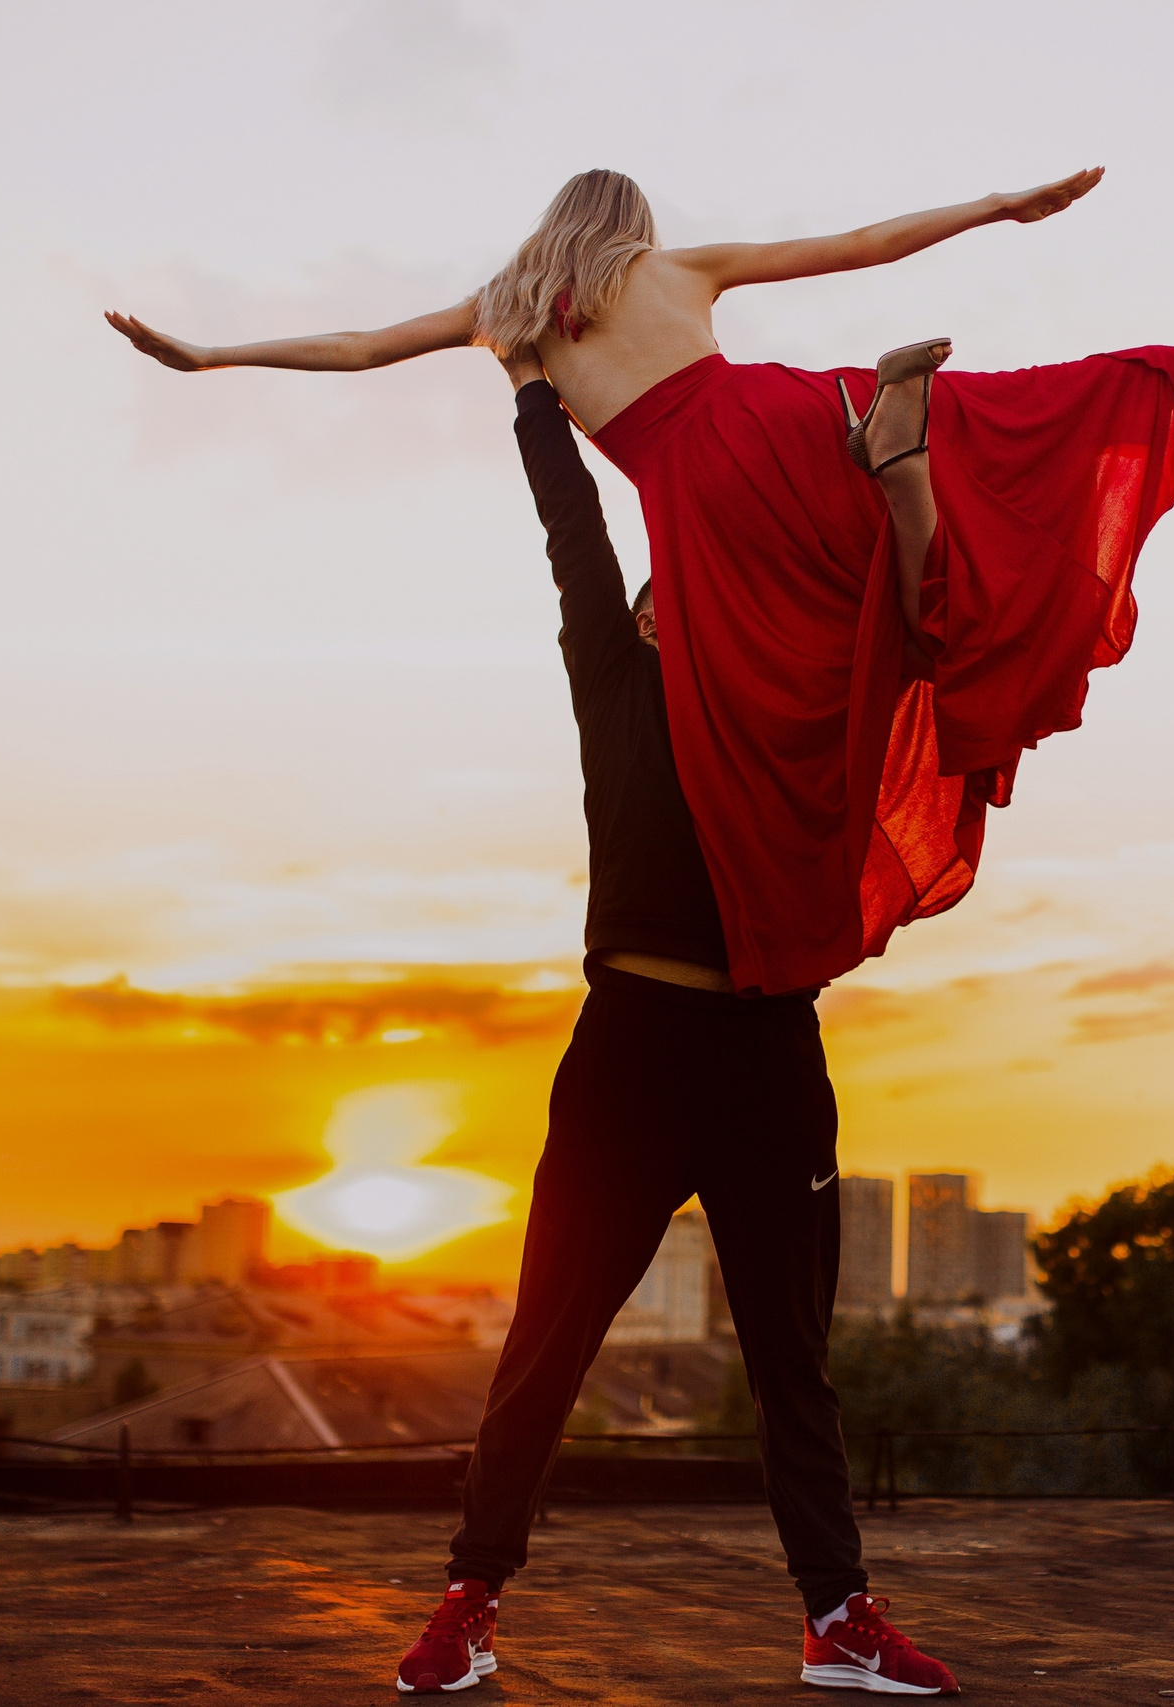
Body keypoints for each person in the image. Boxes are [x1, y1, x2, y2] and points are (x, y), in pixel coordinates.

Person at [106, 167, 1174, 998]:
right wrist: (998, 207)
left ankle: (900, 486)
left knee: (816, 700)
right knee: (1032, 410)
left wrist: (206, 358)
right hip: (795, 415)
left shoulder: (507, 307)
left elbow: (354, 347)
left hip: (701, 500)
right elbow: (859, 241)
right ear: (635, 231)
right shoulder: (677, 270)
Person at [377, 345, 955, 1696]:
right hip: (629, 1053)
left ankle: (837, 1620)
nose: (684, 610)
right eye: (667, 596)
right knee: (545, 1345)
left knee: (792, 1370)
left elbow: (892, 610)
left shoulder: (791, 711)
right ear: (641, 618)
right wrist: (533, 390)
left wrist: (895, 460)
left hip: (768, 1057)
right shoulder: (614, 680)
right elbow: (575, 534)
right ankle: (468, 1604)